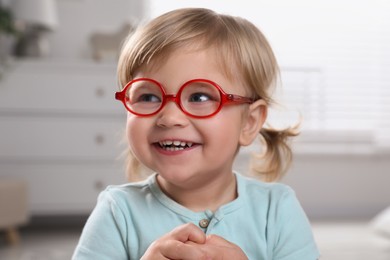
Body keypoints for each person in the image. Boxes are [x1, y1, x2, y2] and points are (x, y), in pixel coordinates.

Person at [72, 7, 320, 260]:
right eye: (147, 96)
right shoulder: (117, 212)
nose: (169, 117)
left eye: (199, 96)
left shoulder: (277, 210)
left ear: (249, 122)